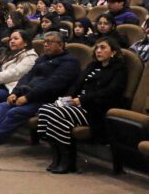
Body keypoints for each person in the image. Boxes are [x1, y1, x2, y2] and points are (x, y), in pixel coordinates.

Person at [0, 31, 80, 155]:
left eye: (50, 42)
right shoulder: (43, 58)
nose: (46, 45)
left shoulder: (69, 62)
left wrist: (27, 98)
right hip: (28, 95)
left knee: (15, 112)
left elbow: (51, 85)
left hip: (47, 99)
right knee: (1, 106)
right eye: (45, 42)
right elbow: (26, 77)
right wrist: (15, 93)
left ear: (61, 45)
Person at [36, 37, 127, 174]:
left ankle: (68, 160)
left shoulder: (119, 69)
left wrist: (81, 100)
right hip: (78, 105)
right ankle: (58, 156)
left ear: (113, 52)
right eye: (96, 48)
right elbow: (76, 85)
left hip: (96, 109)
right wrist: (68, 97)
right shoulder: (92, 66)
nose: (98, 51)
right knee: (45, 109)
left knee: (57, 113)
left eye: (103, 48)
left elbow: (111, 91)